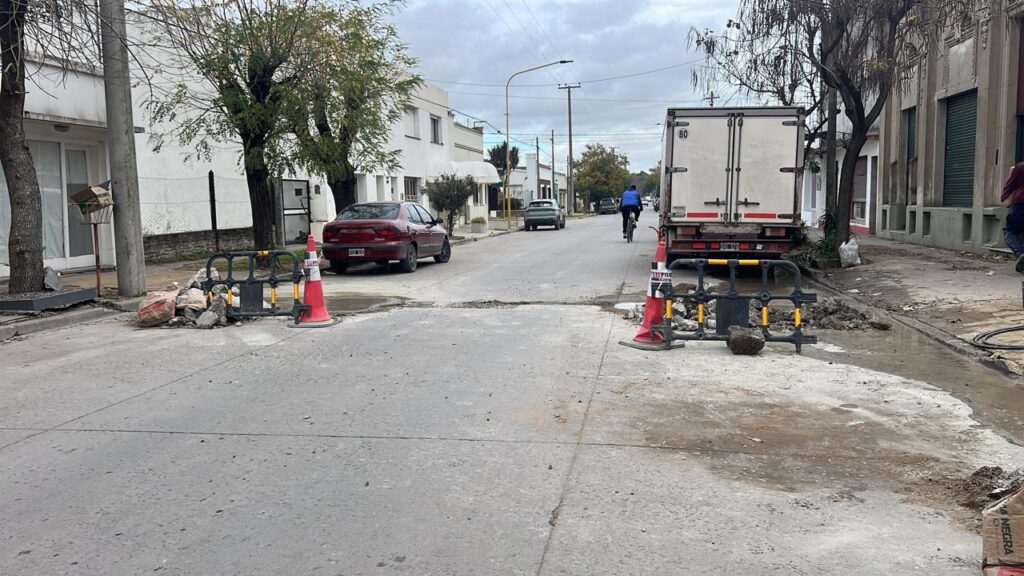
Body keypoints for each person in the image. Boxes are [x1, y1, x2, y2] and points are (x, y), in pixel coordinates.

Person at [1002, 162, 1024, 273]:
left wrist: (1004, 197)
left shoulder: (1020, 167)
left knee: (1009, 232)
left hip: (1020, 205)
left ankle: (1021, 254)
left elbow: (1010, 184)